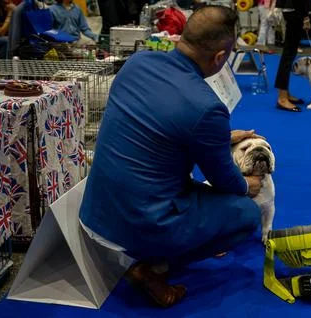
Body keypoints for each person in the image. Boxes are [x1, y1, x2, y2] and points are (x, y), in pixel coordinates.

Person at [79, 5, 264, 307]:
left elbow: (159, 126)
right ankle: (150, 267)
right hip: (138, 226)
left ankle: (148, 257)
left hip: (94, 215)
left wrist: (221, 137)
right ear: (220, 57)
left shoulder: (137, 62)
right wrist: (250, 184)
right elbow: (225, 182)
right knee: (247, 214)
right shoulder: (207, 106)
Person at [274, 0, 311, 112]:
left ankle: (285, 93)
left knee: (289, 53)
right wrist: (305, 16)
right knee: (288, 54)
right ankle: (282, 97)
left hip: (293, 8)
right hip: (295, 8)